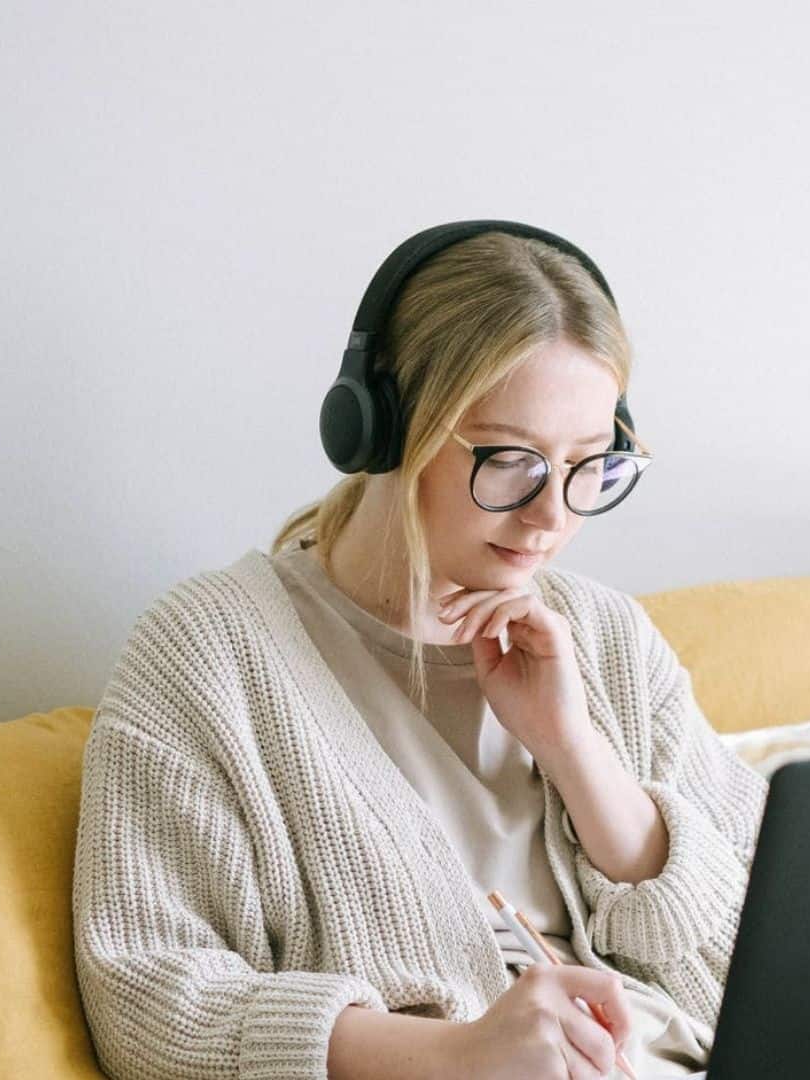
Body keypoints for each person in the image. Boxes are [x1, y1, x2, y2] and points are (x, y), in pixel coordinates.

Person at [71, 228, 770, 1079]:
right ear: (387, 432)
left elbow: (775, 950)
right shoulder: (211, 654)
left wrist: (577, 752)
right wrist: (459, 1055)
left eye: (591, 465)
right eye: (513, 462)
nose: (552, 516)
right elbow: (149, 999)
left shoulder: (609, 638)